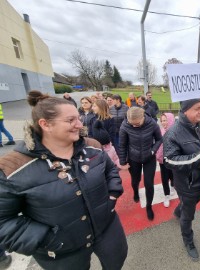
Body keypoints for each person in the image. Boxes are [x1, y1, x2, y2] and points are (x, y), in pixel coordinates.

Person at [0, 90, 127, 270]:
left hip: (107, 229)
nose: (79, 124)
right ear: (45, 124)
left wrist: (113, 194)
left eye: (78, 118)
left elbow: (110, 170)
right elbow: (3, 221)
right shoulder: (12, 167)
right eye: (70, 120)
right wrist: (46, 239)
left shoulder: (93, 147)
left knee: (116, 263)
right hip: (62, 252)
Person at [163, 99, 200, 261]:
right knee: (189, 215)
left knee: (189, 204)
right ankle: (188, 241)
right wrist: (197, 158)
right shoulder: (173, 132)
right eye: (197, 108)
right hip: (188, 184)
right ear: (185, 110)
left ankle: (179, 209)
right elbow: (169, 160)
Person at [119, 107, 162, 220]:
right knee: (135, 180)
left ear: (143, 117)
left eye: (137, 123)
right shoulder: (125, 125)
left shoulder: (152, 123)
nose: (134, 125)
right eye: (132, 123)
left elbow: (159, 139)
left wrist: (153, 150)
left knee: (149, 184)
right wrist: (123, 161)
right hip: (133, 158)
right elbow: (122, 145)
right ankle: (136, 192)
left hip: (149, 158)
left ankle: (149, 206)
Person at [156, 113, 176, 208]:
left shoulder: (175, 132)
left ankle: (172, 186)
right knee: (164, 178)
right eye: (162, 121)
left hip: (173, 159)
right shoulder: (161, 131)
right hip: (163, 159)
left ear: (170, 120)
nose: (163, 122)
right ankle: (166, 195)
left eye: (165, 120)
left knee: (172, 175)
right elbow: (158, 144)